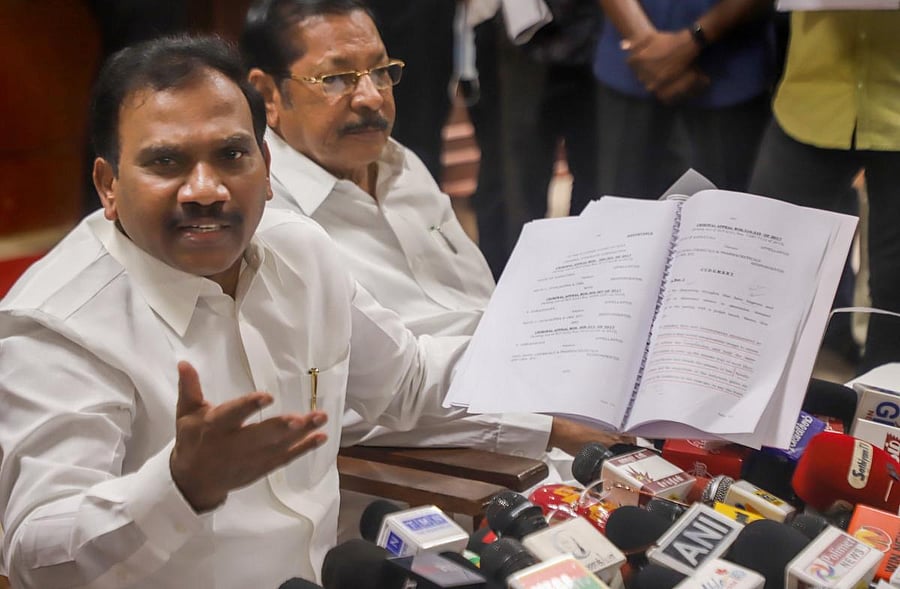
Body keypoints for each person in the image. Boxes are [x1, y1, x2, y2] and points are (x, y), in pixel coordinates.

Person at [0, 35, 471, 588]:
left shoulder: (300, 250)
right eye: (166, 162)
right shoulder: (59, 326)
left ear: (266, 166)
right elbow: (34, 553)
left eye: (231, 155)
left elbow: (407, 382)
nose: (205, 190)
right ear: (108, 185)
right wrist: (178, 487)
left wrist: (559, 399)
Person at [239, 0, 630, 538]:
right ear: (267, 94)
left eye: (381, 71)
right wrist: (547, 424)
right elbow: (352, 405)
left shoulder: (399, 163)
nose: (372, 97)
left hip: (541, 405)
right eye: (336, 78)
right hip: (461, 474)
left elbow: (483, 310)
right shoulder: (271, 224)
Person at [749, 10, 900, 374]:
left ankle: (883, 419)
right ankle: (741, 412)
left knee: (896, 296)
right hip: (811, 93)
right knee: (760, 267)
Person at [594, 0, 774, 199]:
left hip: (730, 68)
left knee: (724, 215)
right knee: (621, 213)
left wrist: (694, 39)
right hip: (632, 64)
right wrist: (651, 48)